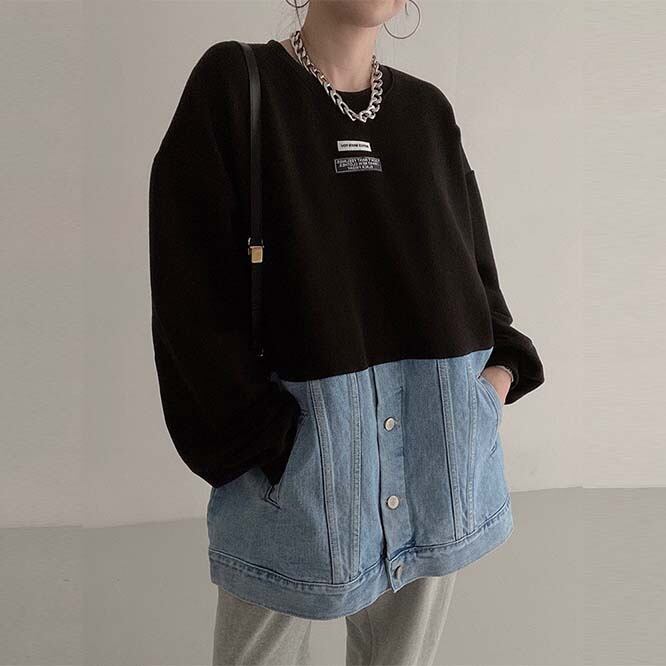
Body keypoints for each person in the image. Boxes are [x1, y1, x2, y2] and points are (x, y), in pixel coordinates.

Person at [148, 1, 545, 663]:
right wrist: (264, 441)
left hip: (439, 453)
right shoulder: (236, 85)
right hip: (298, 476)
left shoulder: (427, 112)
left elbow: (476, 276)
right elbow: (188, 290)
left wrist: (491, 386)